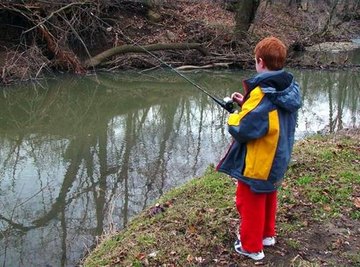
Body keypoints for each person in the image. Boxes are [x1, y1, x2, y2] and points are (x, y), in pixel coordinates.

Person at [216, 36, 302, 261]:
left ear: (261, 62)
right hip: (277, 158)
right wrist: (246, 103)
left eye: (255, 61)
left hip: (259, 161)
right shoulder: (286, 89)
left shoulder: (264, 93)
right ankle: (267, 235)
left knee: (249, 201)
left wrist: (234, 116)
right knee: (268, 194)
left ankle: (251, 247)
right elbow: (268, 118)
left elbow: (244, 127)